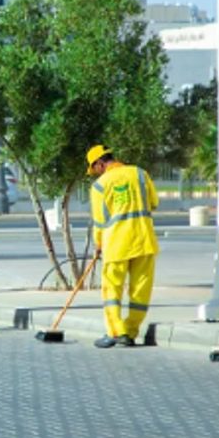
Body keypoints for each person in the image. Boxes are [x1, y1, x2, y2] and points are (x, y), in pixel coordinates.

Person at [86, 144, 159, 348]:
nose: (94, 174)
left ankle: (115, 331)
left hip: (116, 244)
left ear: (100, 164)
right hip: (144, 241)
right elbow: (154, 202)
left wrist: (98, 244)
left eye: (94, 169)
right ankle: (130, 332)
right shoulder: (141, 174)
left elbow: (100, 222)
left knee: (112, 291)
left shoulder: (100, 186)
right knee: (140, 292)